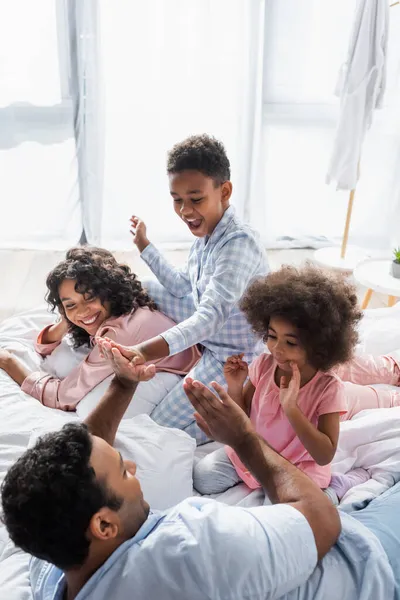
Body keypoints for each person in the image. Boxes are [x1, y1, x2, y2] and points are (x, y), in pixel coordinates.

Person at [1, 341, 398, 600]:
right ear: (104, 526)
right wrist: (243, 438)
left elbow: (78, 463)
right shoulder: (188, 551)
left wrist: (123, 385)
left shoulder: (54, 559)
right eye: (124, 472)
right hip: (364, 564)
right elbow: (321, 521)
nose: (133, 465)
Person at [106, 134, 269, 443]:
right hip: (210, 333)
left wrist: (144, 351)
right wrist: (144, 245)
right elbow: (183, 286)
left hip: (232, 358)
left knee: (157, 428)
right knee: (143, 288)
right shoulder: (206, 236)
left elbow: (208, 318)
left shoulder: (238, 244)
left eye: (196, 199)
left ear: (224, 191)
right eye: (177, 199)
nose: (184, 210)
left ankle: (244, 411)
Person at [193, 265, 400, 502]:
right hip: (257, 453)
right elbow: (245, 416)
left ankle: (340, 484)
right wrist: (235, 386)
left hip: (298, 465)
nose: (277, 349)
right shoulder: (263, 365)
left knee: (288, 508)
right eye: (272, 337)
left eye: (291, 343)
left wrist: (292, 410)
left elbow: (324, 455)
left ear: (317, 344)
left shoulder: (328, 388)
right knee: (204, 477)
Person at [0, 247, 199, 411]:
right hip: (170, 359)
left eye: (90, 298)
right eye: (70, 304)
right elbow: (42, 347)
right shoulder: (125, 305)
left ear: (108, 291)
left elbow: (62, 396)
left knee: (89, 408)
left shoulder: (117, 335)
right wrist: (68, 319)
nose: (83, 310)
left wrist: (8, 361)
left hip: (177, 378)